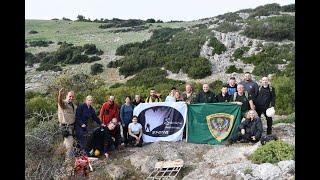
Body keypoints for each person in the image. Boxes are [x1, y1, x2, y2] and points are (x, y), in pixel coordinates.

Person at [57, 88, 77, 159]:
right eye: (69, 96)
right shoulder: (63, 104)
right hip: (66, 128)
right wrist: (59, 95)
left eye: (72, 96)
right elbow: (60, 101)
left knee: (65, 143)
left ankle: (58, 157)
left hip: (72, 127)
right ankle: (69, 165)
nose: (71, 98)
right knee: (69, 146)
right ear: (66, 96)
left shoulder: (74, 106)